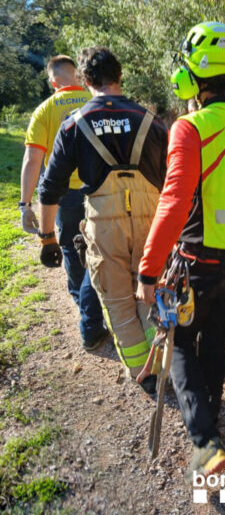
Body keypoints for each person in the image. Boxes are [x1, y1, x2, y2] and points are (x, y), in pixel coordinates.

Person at [136, 21, 225, 481]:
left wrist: (148, 271)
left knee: (176, 344)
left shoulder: (190, 127)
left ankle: (204, 441)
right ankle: (211, 418)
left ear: (189, 79)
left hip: (200, 265)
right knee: (214, 338)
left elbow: (174, 201)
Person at [37, 47, 168, 395]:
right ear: (120, 77)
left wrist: (47, 235)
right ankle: (162, 362)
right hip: (151, 221)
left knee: (117, 302)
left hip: (103, 223)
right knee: (149, 293)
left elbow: (50, 188)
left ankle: (144, 373)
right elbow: (173, 181)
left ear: (85, 81)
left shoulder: (74, 124)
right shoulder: (152, 121)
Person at [20, 55, 106, 350]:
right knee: (101, 248)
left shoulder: (44, 111)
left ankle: (89, 320)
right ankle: (96, 309)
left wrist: (25, 203)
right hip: (99, 189)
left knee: (71, 248)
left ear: (53, 81)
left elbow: (33, 160)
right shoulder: (96, 101)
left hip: (64, 195)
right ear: (79, 77)